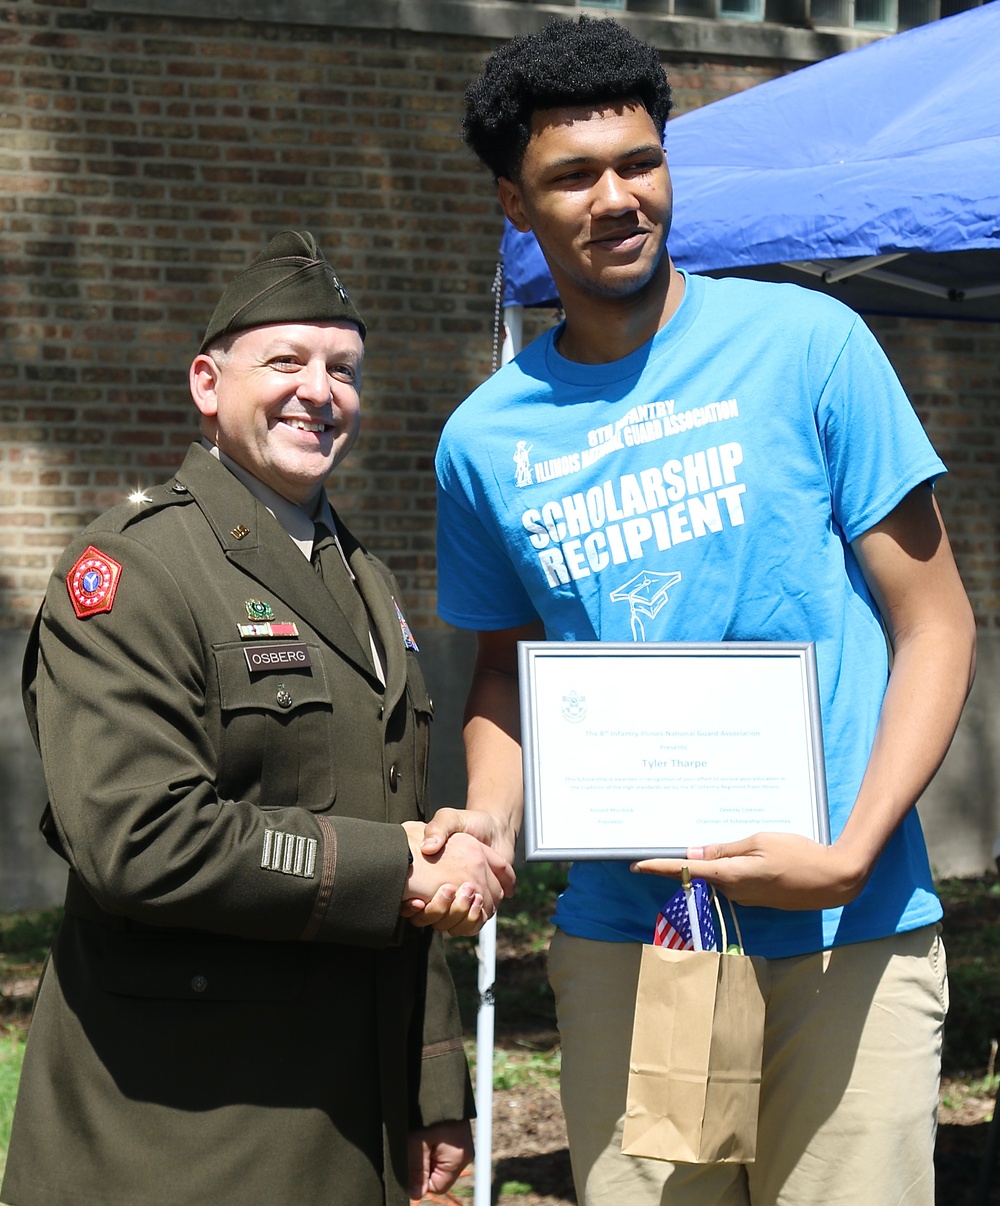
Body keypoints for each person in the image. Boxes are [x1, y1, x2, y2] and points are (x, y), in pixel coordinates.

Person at [424, 17, 977, 1206]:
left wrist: (850, 851)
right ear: (517, 207)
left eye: (639, 161)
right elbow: (505, 674)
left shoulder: (810, 344)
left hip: (849, 934)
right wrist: (482, 821)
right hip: (631, 941)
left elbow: (936, 623)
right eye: (573, 176)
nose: (617, 198)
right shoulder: (483, 438)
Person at [1, 230, 514, 1206]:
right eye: (286, 360)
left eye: (343, 369)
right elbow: (138, 838)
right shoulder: (137, 571)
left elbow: (393, 807)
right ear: (207, 382)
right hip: (177, 1129)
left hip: (342, 1115)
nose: (319, 391)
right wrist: (397, 865)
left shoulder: (362, 578)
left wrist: (431, 1079)